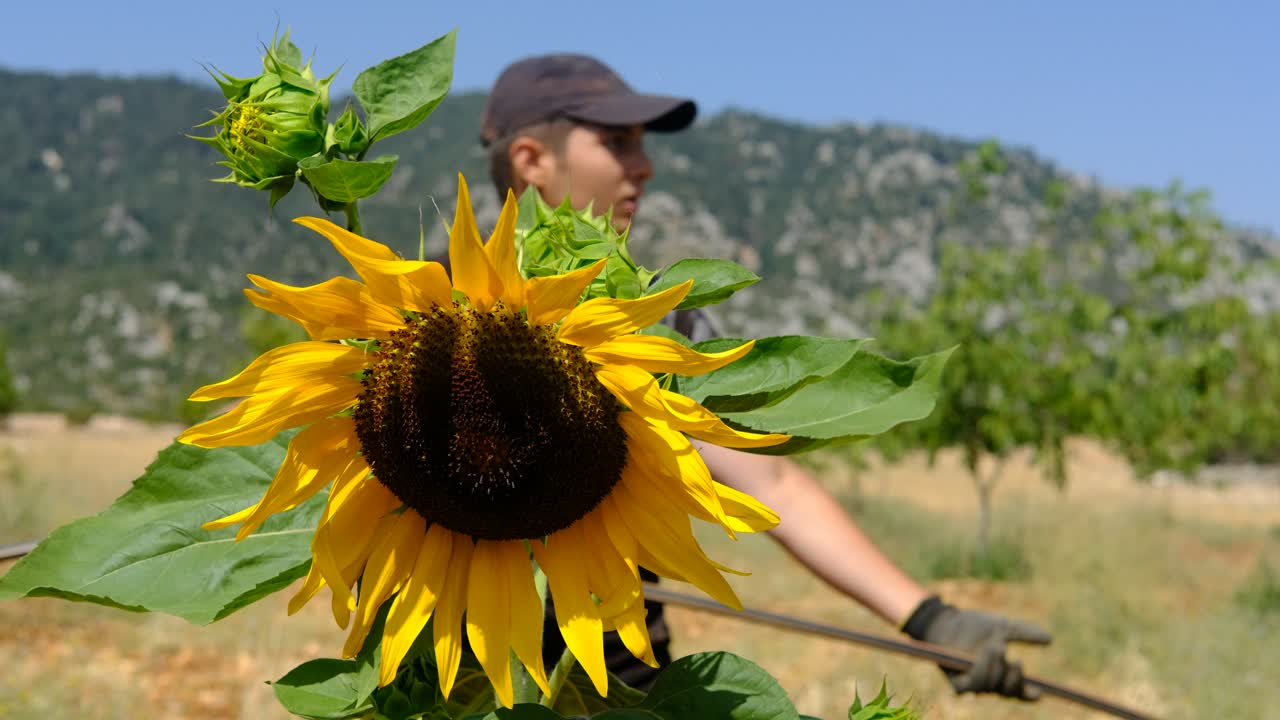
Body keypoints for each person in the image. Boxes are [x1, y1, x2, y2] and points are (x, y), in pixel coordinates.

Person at [478, 53, 1052, 699]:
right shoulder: (417, 322)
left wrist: (931, 620)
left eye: (641, 143)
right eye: (616, 143)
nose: (645, 165)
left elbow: (772, 480)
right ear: (531, 160)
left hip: (624, 688)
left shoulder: (655, 328)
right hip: (454, 687)